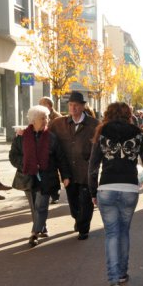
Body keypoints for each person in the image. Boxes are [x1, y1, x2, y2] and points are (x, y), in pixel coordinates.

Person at [88, 102, 143, 286]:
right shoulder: (136, 132)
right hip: (129, 188)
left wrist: (93, 192)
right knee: (124, 231)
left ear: (109, 114)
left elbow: (93, 166)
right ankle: (122, 273)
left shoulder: (102, 131)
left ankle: (112, 279)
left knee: (111, 233)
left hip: (107, 187)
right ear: (128, 114)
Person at [9, 105, 71, 247]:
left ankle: (34, 233)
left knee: (41, 206)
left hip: (47, 177)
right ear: (33, 121)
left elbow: (61, 158)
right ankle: (42, 227)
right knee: (34, 207)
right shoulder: (21, 136)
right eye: (42, 118)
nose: (46, 120)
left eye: (47, 117)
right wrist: (26, 164)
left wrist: (65, 176)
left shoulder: (52, 138)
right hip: (28, 177)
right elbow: (13, 156)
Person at [49, 91, 100, 240]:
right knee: (73, 203)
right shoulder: (59, 123)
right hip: (68, 172)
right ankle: (78, 219)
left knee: (86, 201)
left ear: (83, 107)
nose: (73, 108)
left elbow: (101, 144)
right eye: (71, 105)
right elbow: (45, 134)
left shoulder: (94, 124)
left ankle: (83, 229)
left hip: (86, 171)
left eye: (76, 105)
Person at [39, 96, 62, 204]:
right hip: (45, 145)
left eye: (41, 104)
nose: (39, 106)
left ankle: (55, 193)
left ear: (48, 105)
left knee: (54, 171)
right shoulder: (41, 114)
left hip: (54, 146)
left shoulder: (57, 117)